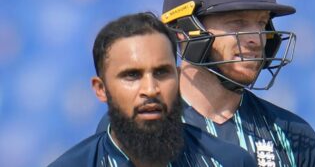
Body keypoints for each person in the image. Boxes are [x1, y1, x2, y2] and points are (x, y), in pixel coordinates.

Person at [96, 0, 315, 166]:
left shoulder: (292, 134)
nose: (255, 38)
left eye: (261, 23)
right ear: (185, 31)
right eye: (237, 23)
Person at [49, 12, 257, 167]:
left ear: (177, 78)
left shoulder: (230, 162)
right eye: (132, 75)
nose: (150, 89)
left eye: (161, 73)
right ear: (101, 89)